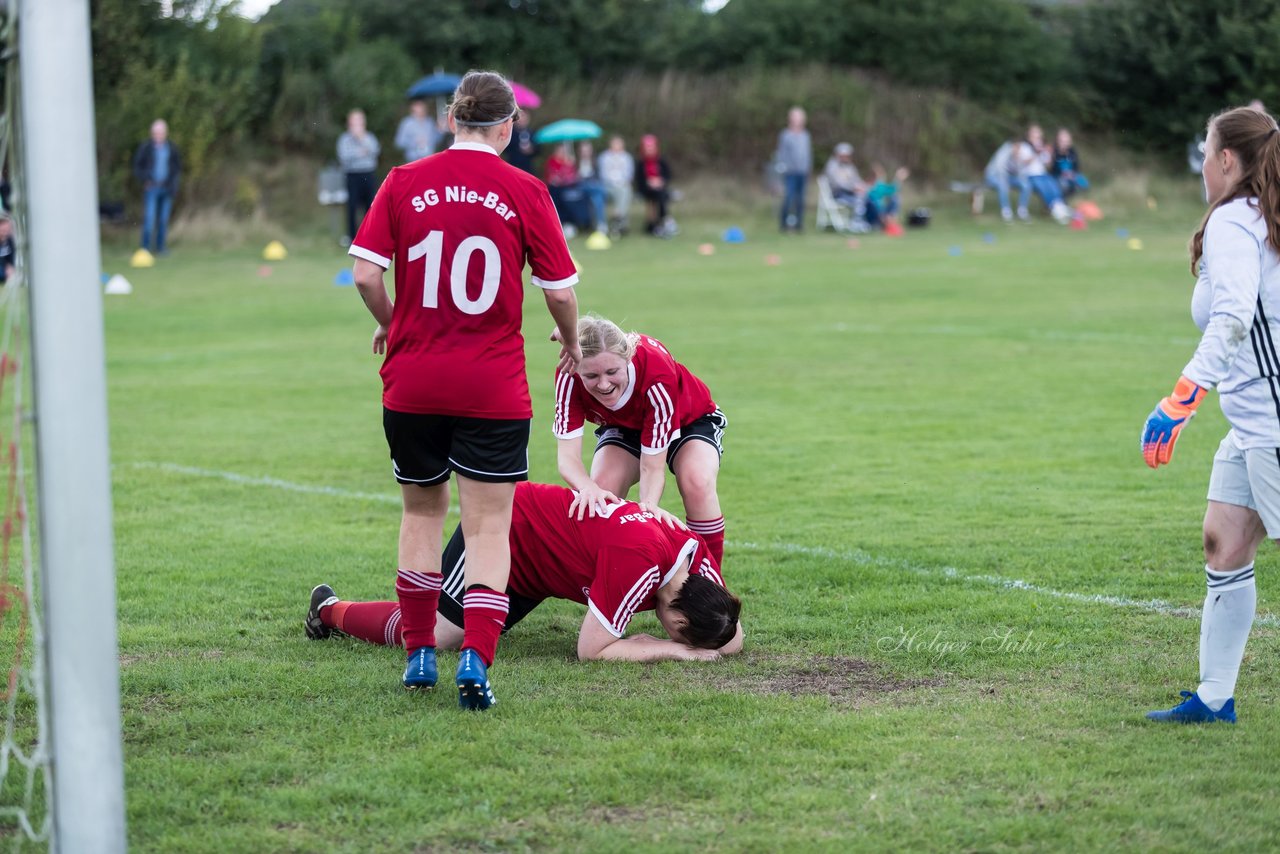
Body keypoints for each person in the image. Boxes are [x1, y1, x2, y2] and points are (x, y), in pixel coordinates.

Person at [348, 70, 582, 710]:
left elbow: (367, 275)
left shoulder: (401, 182)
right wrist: (571, 339)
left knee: (422, 514)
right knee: (486, 530)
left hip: (413, 381)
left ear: (451, 120)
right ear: (508, 128)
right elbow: (558, 291)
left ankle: (420, 652)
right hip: (493, 387)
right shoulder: (526, 189)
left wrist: (394, 327)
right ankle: (475, 660)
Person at [1140, 106, 1280, 724]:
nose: (1201, 165)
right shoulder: (1259, 214)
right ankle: (1214, 700)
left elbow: (1232, 317)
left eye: (1205, 152)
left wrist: (1182, 400)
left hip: (1272, 425)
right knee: (1224, 543)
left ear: (1227, 160)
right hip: (1251, 423)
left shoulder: (1233, 220)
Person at [305, 482, 744, 665]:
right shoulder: (640, 563)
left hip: (538, 569)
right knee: (437, 637)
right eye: (678, 633)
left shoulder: (692, 556)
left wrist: (700, 643)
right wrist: (672, 651)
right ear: (678, 620)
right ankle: (328, 609)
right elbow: (591, 650)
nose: (671, 635)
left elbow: (732, 634)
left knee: (467, 634)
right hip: (508, 528)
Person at [552, 316, 728, 566]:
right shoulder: (569, 375)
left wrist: (648, 506)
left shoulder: (655, 370)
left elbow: (652, 466)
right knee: (601, 492)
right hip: (624, 425)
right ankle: (605, 584)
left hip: (689, 418)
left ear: (627, 357)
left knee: (696, 481)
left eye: (612, 372)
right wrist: (588, 488)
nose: (603, 384)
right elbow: (567, 459)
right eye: (591, 375)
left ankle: (708, 581)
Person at [131, 118, 181, 256]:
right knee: (149, 219)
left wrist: (173, 184)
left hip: (167, 188)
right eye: (156, 132)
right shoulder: (146, 148)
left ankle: (160, 248)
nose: (158, 135)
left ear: (165, 133)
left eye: (161, 132)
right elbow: (137, 167)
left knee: (163, 220)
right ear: (152, 133)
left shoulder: (171, 148)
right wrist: (145, 180)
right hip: (151, 188)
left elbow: (177, 168)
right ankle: (145, 249)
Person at [337, 109, 381, 246]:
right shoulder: (344, 139)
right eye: (354, 121)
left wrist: (361, 141)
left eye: (359, 121)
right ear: (349, 123)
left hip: (368, 174)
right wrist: (360, 152)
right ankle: (352, 238)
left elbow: (375, 151)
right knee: (352, 207)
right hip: (353, 175)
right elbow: (344, 156)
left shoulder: (369, 137)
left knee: (370, 206)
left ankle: (370, 237)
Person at [1013, 124, 1071, 224]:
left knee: (1052, 185)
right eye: (1034, 132)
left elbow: (1047, 163)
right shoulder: (1024, 146)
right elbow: (1024, 162)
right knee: (1043, 187)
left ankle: (1060, 205)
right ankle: (1055, 209)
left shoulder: (1041, 145)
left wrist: (1048, 153)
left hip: (1042, 174)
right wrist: (1036, 152)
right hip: (1030, 175)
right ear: (1029, 134)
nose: (1037, 135)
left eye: (1038, 133)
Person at [775, 107, 812, 233]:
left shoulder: (805, 135)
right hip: (790, 172)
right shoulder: (785, 135)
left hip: (803, 172)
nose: (799, 120)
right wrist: (782, 168)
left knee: (800, 200)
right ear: (791, 119)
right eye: (796, 117)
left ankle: (799, 225)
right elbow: (781, 154)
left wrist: (808, 168)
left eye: (800, 117)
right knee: (788, 198)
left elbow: (807, 154)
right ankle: (783, 225)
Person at [634, 134, 676, 238]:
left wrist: (660, 181)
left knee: (660, 193)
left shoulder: (661, 161)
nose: (650, 150)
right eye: (647, 148)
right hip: (645, 189)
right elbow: (638, 180)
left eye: (652, 147)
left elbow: (667, 176)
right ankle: (664, 220)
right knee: (658, 195)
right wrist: (649, 183)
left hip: (659, 188)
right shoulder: (640, 163)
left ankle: (659, 223)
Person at [822, 142, 868, 229]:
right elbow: (839, 183)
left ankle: (862, 221)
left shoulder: (850, 166)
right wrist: (853, 188)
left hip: (849, 193)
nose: (846, 157)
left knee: (866, 196)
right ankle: (856, 223)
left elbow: (856, 179)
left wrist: (863, 186)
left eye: (847, 155)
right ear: (838, 154)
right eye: (843, 155)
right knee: (859, 199)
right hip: (837, 193)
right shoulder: (832, 166)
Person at [598, 135, 635, 235]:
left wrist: (621, 181)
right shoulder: (604, 157)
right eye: (615, 144)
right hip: (608, 186)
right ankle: (620, 220)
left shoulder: (627, 158)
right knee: (623, 191)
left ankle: (618, 216)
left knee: (625, 190)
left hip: (622, 185)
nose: (617, 146)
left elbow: (629, 174)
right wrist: (614, 182)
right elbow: (603, 175)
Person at [984, 138, 1025, 223]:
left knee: (1025, 184)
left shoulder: (1017, 154)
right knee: (1003, 185)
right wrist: (1005, 181)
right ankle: (1006, 210)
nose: (1018, 150)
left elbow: (1018, 172)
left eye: (1019, 148)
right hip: (992, 176)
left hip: (1007, 177)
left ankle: (1022, 210)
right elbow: (1000, 169)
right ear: (1013, 146)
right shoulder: (1004, 152)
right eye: (1017, 147)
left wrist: (1017, 161)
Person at [394, 99, 443, 163]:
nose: (421, 108)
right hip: (413, 161)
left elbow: (437, 141)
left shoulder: (430, 122)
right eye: (418, 105)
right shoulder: (406, 123)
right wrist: (414, 142)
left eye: (422, 105)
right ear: (413, 107)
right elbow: (399, 143)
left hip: (429, 160)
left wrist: (440, 131)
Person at [865, 163, 909, 231]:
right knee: (871, 202)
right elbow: (871, 201)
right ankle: (886, 222)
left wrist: (898, 179)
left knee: (895, 198)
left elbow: (893, 189)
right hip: (873, 215)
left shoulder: (880, 185)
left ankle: (890, 220)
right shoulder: (867, 187)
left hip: (882, 212)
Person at [576, 140, 608, 234]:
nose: (586, 152)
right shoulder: (575, 162)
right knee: (598, 190)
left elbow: (599, 177)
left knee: (598, 198)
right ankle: (599, 223)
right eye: (583, 150)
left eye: (588, 150)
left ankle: (601, 224)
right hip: (581, 188)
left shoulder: (596, 163)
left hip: (593, 187)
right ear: (580, 151)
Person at [1050, 128, 1088, 200]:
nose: (1064, 143)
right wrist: (1059, 153)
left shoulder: (1072, 152)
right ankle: (1063, 201)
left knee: (1083, 183)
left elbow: (1076, 166)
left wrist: (1073, 174)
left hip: (1072, 174)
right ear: (1057, 141)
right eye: (1061, 141)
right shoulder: (1053, 152)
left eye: (1066, 141)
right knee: (1064, 185)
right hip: (1058, 176)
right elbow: (1052, 168)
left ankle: (1079, 200)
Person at [504, 110, 539, 175]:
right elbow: (505, 148)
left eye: (524, 118)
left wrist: (531, 150)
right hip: (513, 166)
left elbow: (538, 149)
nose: (522, 120)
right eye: (520, 118)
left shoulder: (532, 133)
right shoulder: (510, 133)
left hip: (527, 168)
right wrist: (518, 147)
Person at [0, 214, 15, 285]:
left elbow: (12, 255)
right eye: (3, 229)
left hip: (5, 270)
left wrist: (11, 266)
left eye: (8, 229)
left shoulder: (10, 240)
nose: (6, 231)